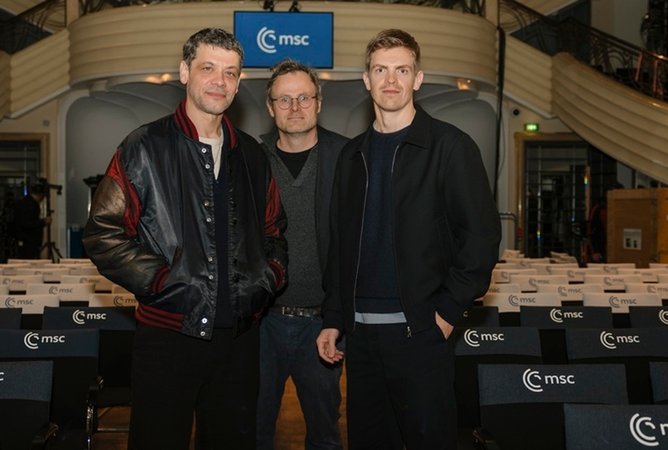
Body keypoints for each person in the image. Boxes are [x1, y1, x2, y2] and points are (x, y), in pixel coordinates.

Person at [82, 28, 288, 450]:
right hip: (168, 338)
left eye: (231, 73)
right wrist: (164, 283)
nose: (220, 81)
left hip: (240, 341)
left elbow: (274, 232)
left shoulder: (250, 153)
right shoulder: (143, 146)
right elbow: (103, 234)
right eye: (208, 68)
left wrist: (267, 279)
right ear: (184, 72)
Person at [316, 29, 501, 450]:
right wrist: (333, 317)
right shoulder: (352, 155)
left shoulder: (451, 147)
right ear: (366, 79)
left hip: (420, 333)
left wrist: (447, 312)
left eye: (402, 69)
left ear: (418, 78)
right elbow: (340, 244)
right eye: (381, 70)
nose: (391, 80)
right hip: (361, 338)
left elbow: (481, 237)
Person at [256, 59, 347, 450]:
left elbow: (355, 247)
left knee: (325, 435)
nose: (295, 107)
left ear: (319, 102)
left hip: (322, 324)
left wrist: (338, 317)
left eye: (304, 97)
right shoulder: (251, 160)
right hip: (261, 324)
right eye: (285, 99)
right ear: (270, 107)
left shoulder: (347, 158)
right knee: (252, 430)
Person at [12, 183, 51, 259]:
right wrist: (43, 222)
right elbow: (27, 223)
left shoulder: (24, 202)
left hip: (23, 238)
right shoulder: (31, 205)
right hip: (29, 240)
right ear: (40, 195)